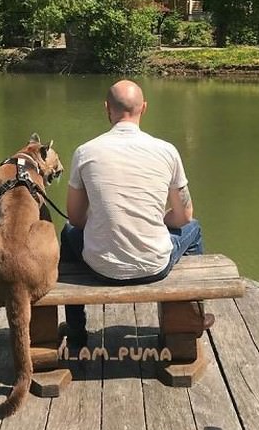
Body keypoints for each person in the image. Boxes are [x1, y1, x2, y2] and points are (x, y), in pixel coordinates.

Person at [61, 79, 203, 344]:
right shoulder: (167, 151)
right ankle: (188, 320)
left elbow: (76, 219)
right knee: (193, 229)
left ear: (107, 108)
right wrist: (157, 220)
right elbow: (183, 216)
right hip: (154, 266)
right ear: (144, 108)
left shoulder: (85, 152)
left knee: (67, 233)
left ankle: (76, 331)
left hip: (99, 268)